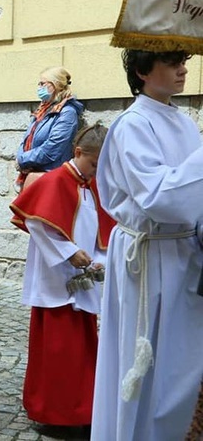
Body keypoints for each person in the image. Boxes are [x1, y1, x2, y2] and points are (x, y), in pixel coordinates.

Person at [92, 49, 203, 441]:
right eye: (173, 62)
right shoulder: (133, 124)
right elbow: (160, 196)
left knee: (181, 366)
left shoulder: (184, 122)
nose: (183, 69)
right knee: (148, 365)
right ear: (142, 71)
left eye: (183, 61)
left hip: (184, 253)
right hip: (150, 255)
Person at [9, 124, 114, 435]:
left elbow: (102, 232)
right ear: (78, 152)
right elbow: (39, 224)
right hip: (54, 279)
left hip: (84, 278)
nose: (97, 172)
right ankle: (57, 414)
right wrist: (69, 253)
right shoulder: (54, 181)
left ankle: (84, 409)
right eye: (94, 164)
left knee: (83, 347)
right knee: (57, 350)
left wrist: (99, 260)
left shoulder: (93, 186)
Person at [15, 67, 83, 192]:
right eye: (39, 84)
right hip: (32, 175)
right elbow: (27, 139)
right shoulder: (43, 110)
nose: (39, 88)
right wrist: (21, 160)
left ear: (56, 85)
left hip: (50, 179)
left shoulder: (67, 112)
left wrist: (23, 160)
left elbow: (53, 148)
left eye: (43, 84)